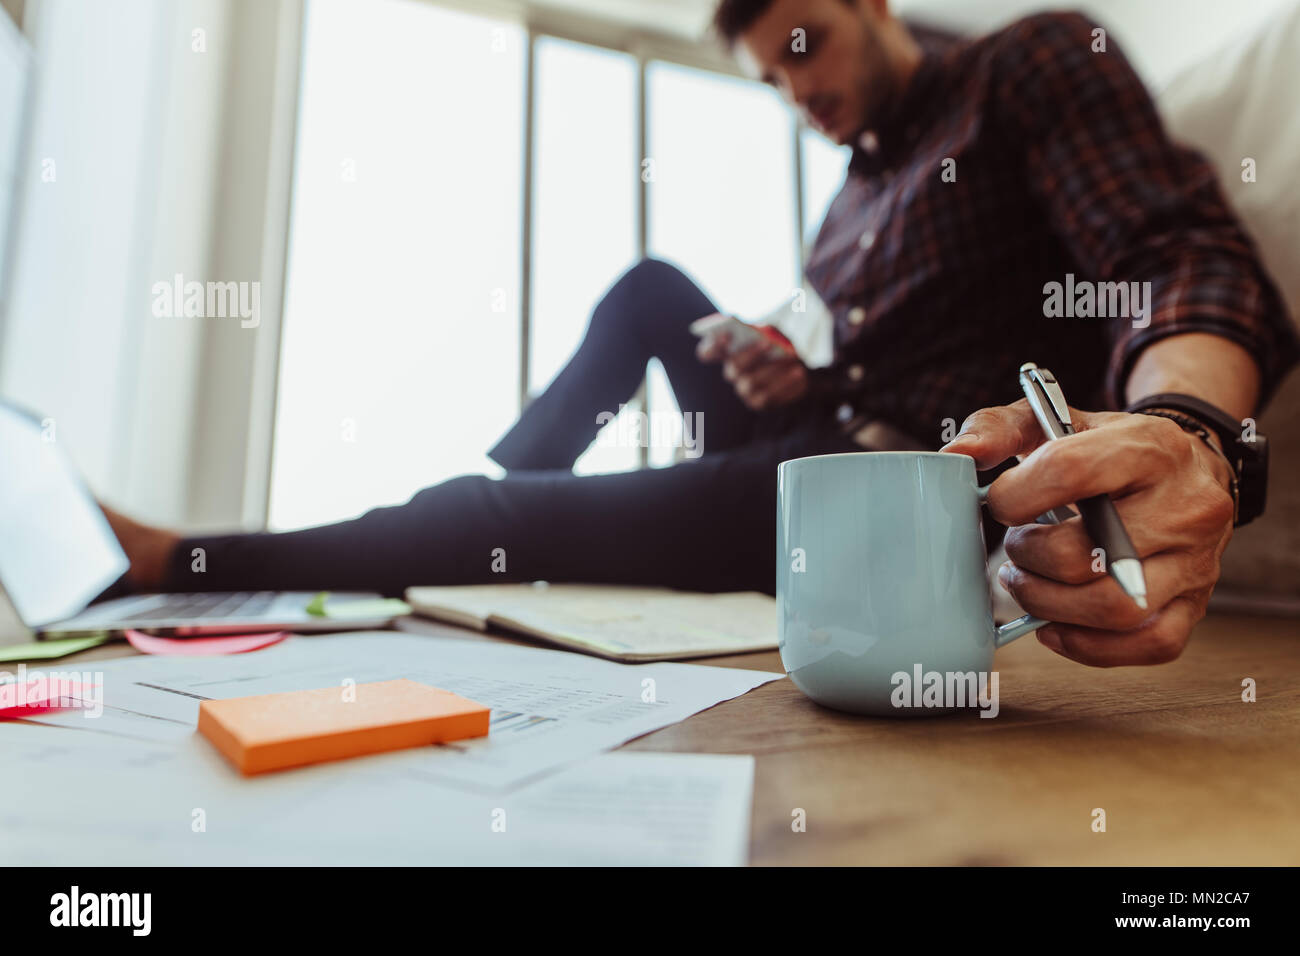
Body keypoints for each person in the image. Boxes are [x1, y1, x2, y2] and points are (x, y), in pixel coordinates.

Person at [105, 0, 1298, 667]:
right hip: (819, 425)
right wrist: (783, 361)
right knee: (650, 287)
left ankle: (188, 560)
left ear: (872, 3)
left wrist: (1188, 428)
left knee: (489, 519)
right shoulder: (844, 207)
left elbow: (1178, 252)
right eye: (767, 81)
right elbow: (855, 365)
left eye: (802, 47)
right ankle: (524, 526)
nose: (797, 94)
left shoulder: (1026, 64)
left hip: (898, 481)